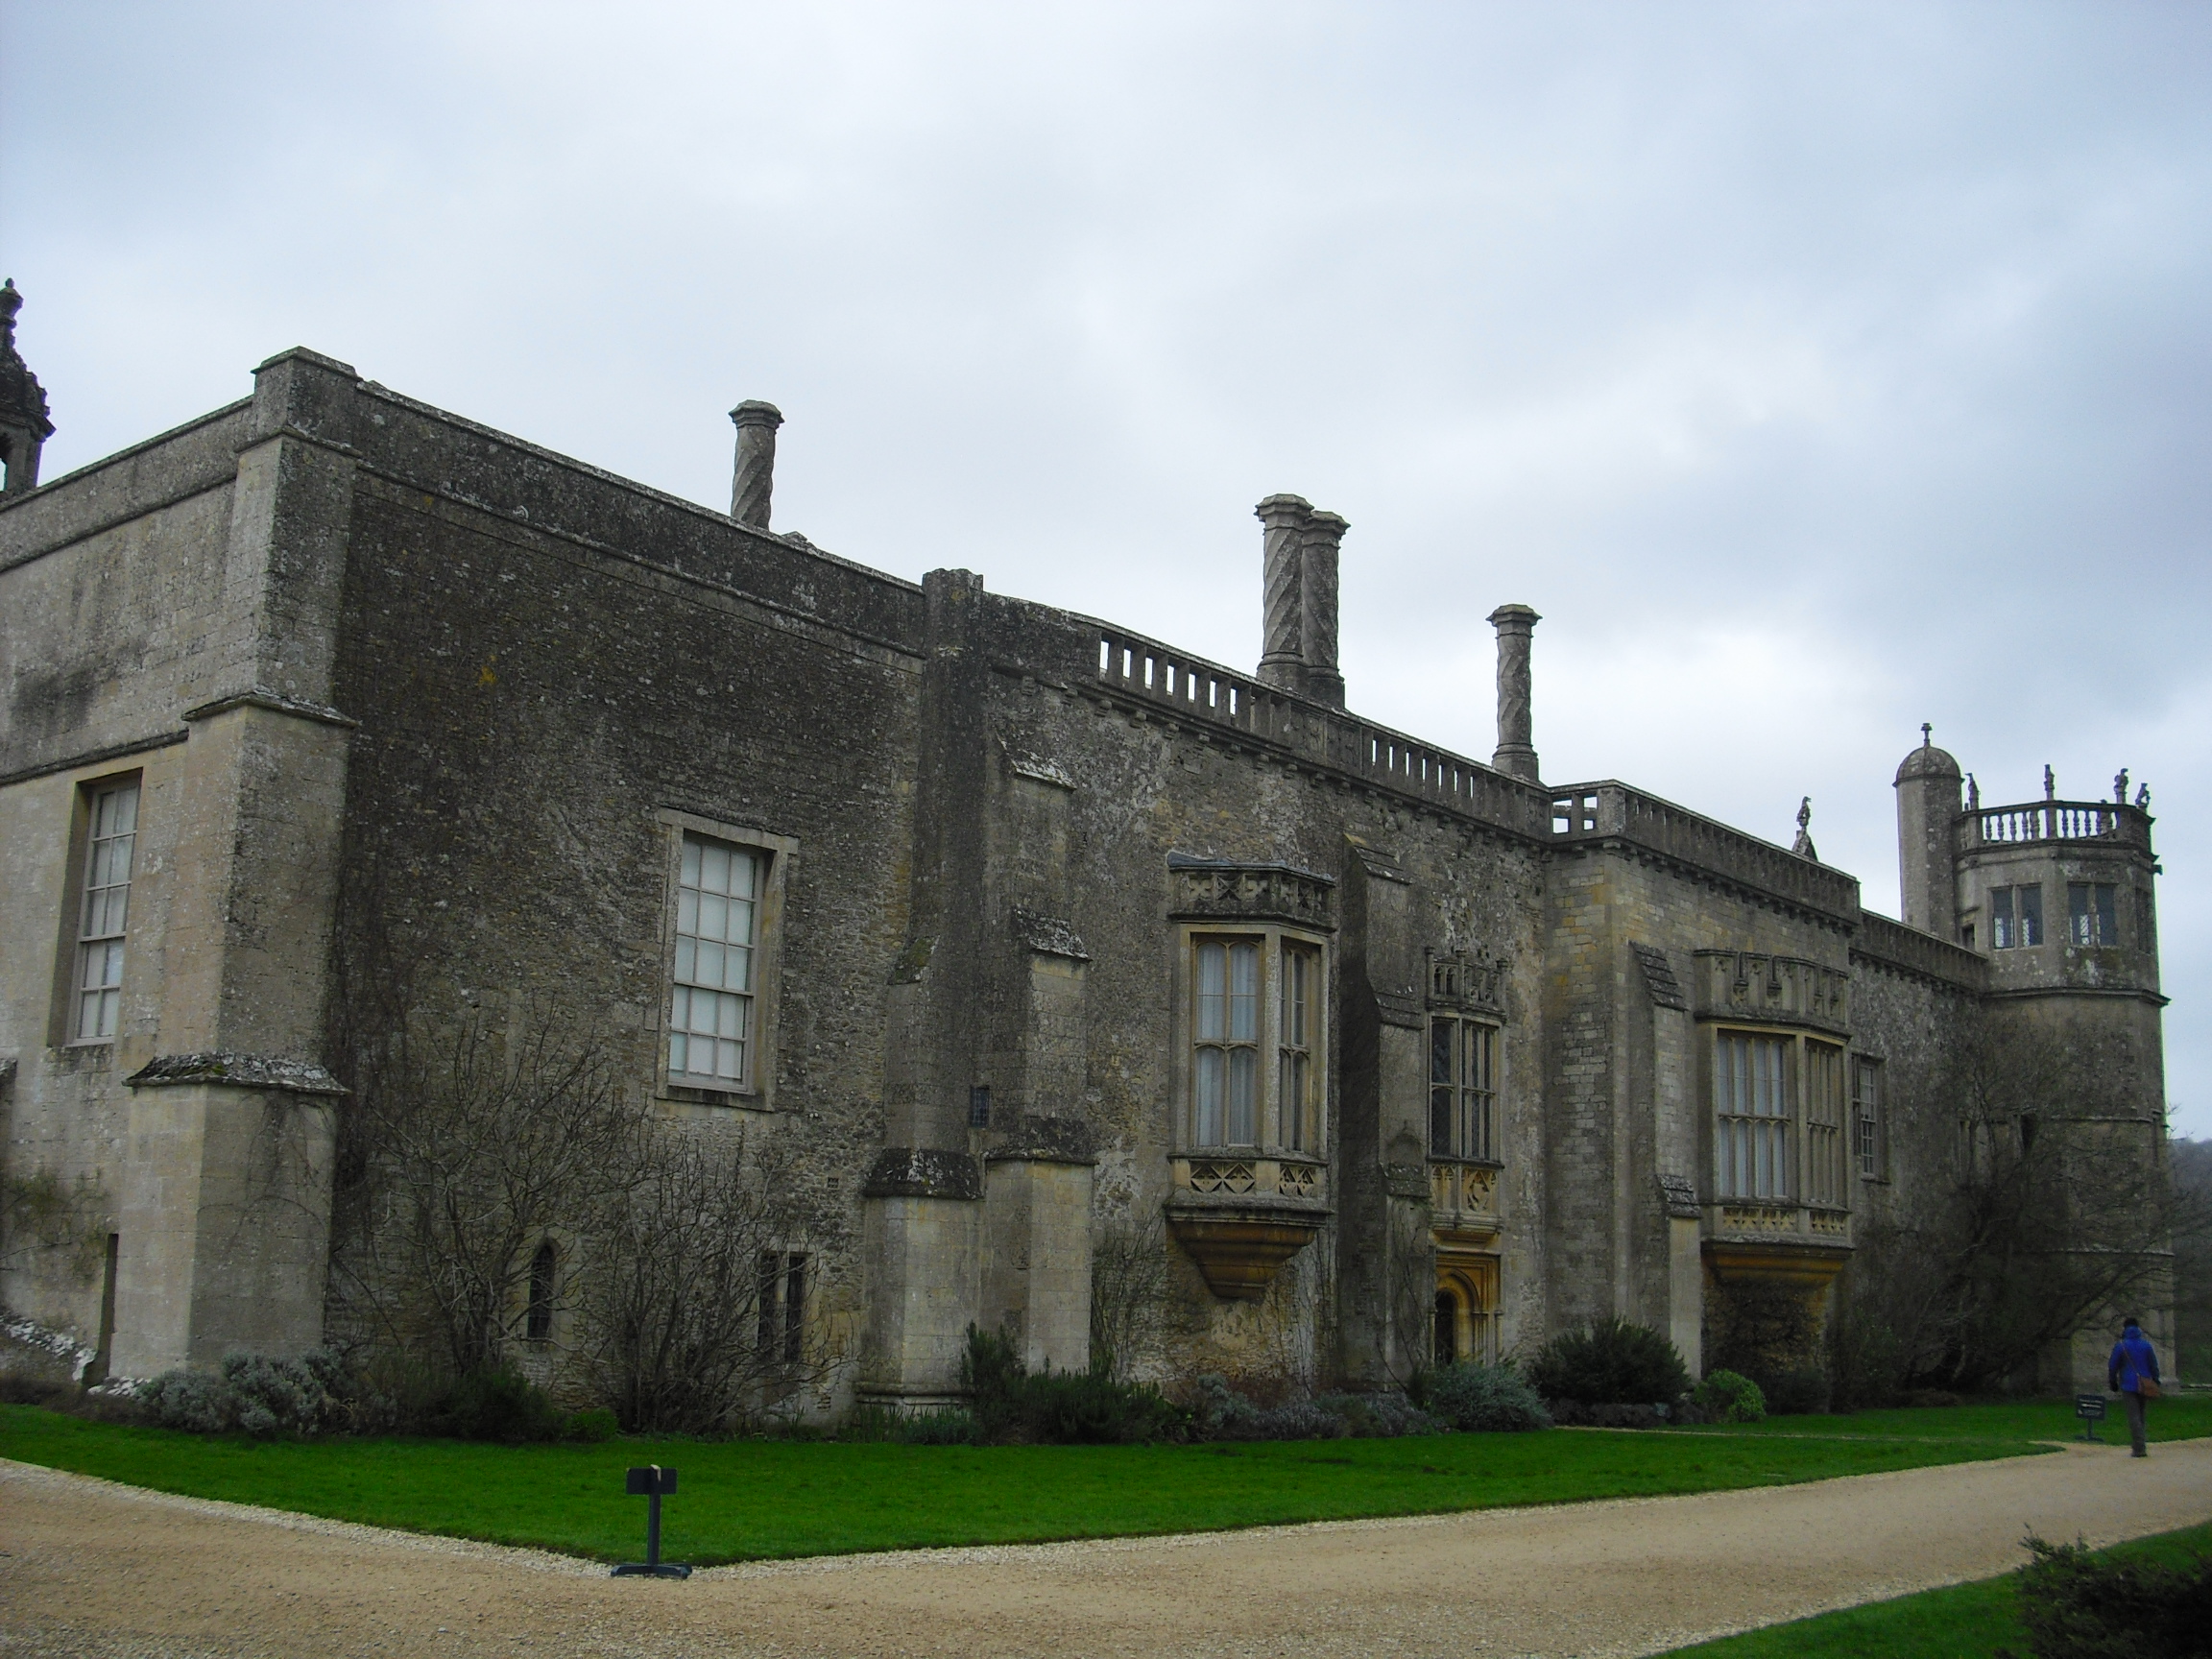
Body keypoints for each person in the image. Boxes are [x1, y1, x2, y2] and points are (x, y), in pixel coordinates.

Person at [2106, 1316, 2162, 1457]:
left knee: (2133, 1416)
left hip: (2128, 1384)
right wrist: (2155, 1380)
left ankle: (2139, 1447)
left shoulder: (2122, 1345)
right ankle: (2140, 1442)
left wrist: (2113, 1381)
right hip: (2145, 1383)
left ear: (2125, 1328)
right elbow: (2153, 1365)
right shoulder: (2146, 1345)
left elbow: (2113, 1365)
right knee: (2141, 1415)